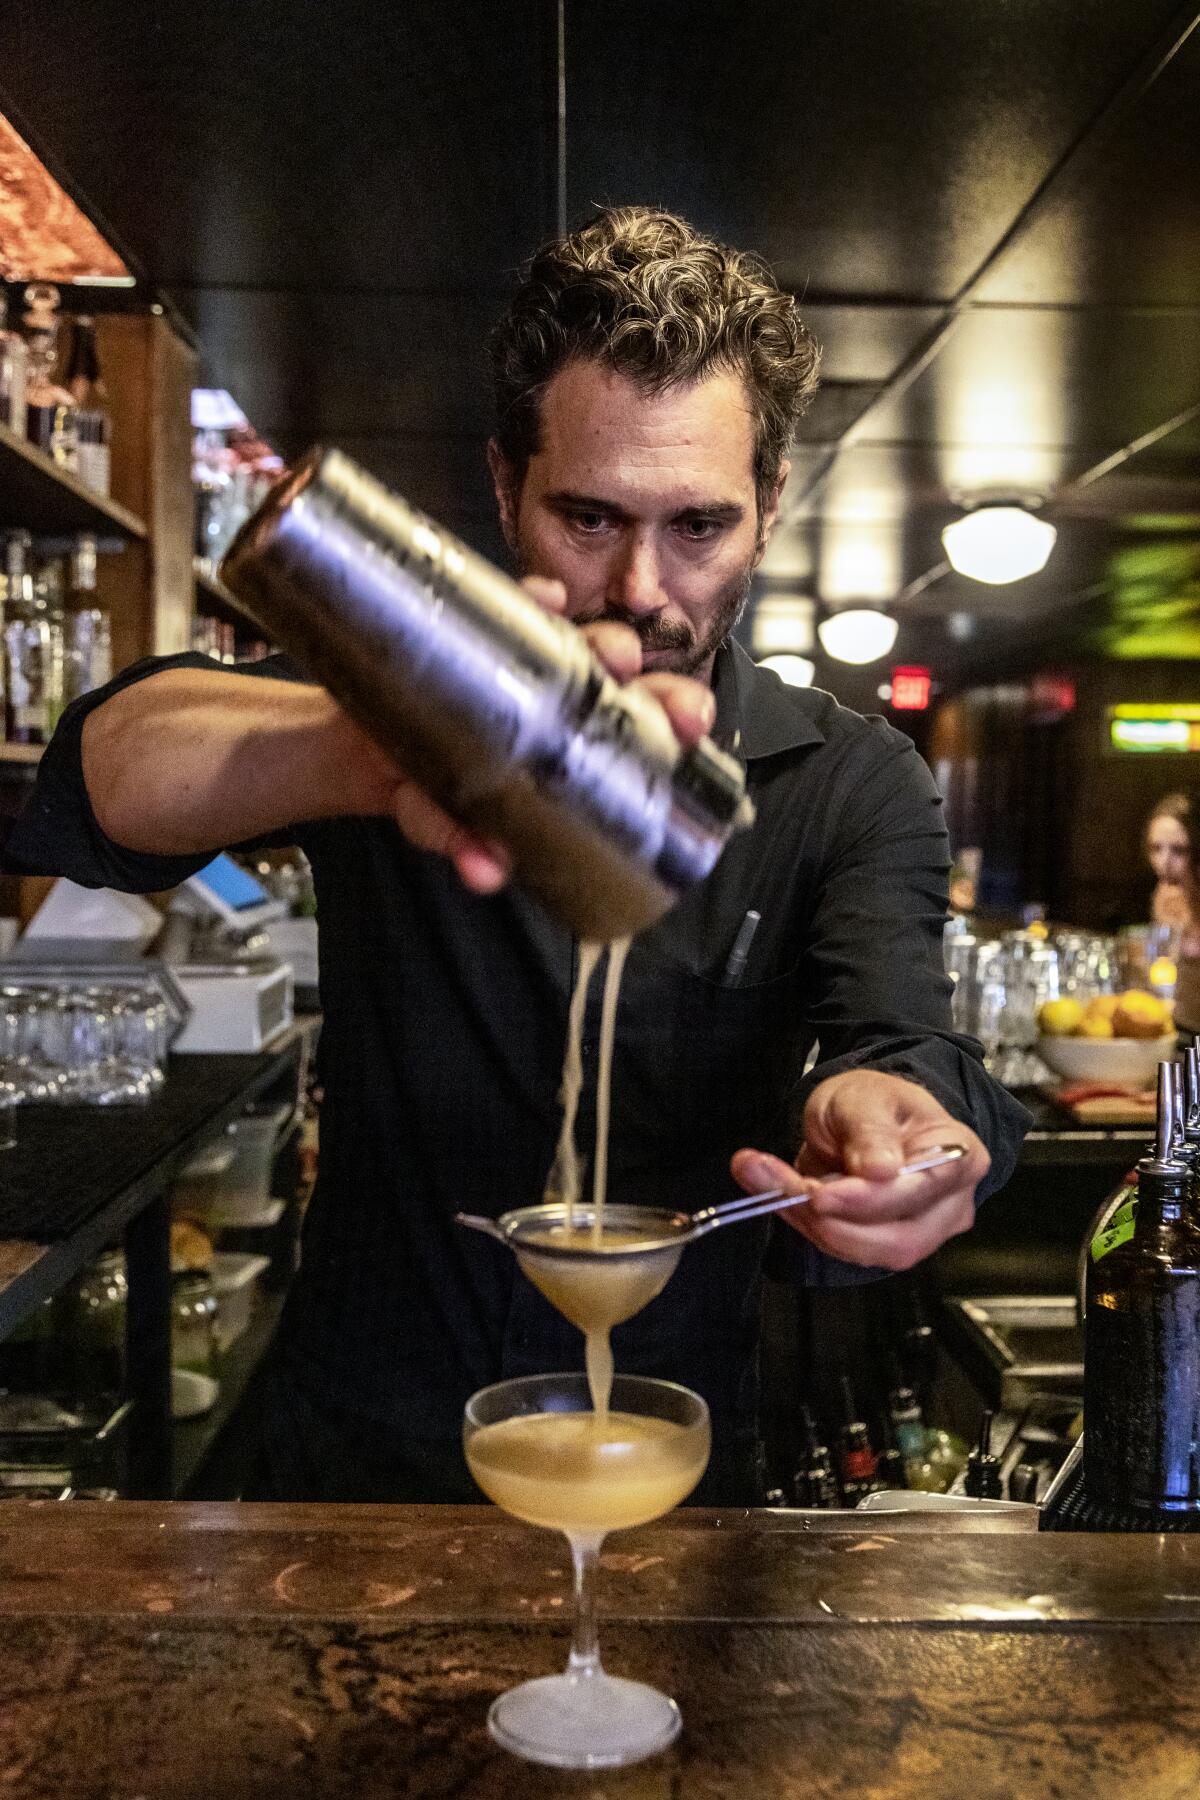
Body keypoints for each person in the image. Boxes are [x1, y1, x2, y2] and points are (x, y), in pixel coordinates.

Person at [2, 207, 1028, 1503]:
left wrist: (911, 1128)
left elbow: (913, 1044)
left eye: (698, 527)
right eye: (589, 519)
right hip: (358, 1460)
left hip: (672, 1463)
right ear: (505, 489)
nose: (642, 591)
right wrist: (392, 745)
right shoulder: (398, 715)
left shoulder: (849, 782)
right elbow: (102, 770)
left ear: (769, 508)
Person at [1145, 792, 1200, 1041]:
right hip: (1181, 1032)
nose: (1163, 862)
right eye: (1156, 848)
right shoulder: (1165, 895)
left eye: (1179, 850)